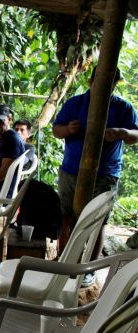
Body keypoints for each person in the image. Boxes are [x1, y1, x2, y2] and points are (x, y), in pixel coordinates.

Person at [52, 66, 138, 284]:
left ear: (114, 85)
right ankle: (65, 261)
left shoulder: (123, 108)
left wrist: (122, 133)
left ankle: (87, 269)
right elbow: (56, 130)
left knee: (97, 223)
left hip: (105, 174)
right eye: (99, 82)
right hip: (71, 171)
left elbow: (135, 134)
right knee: (66, 216)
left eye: (109, 84)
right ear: (90, 82)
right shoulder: (75, 103)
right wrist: (68, 130)